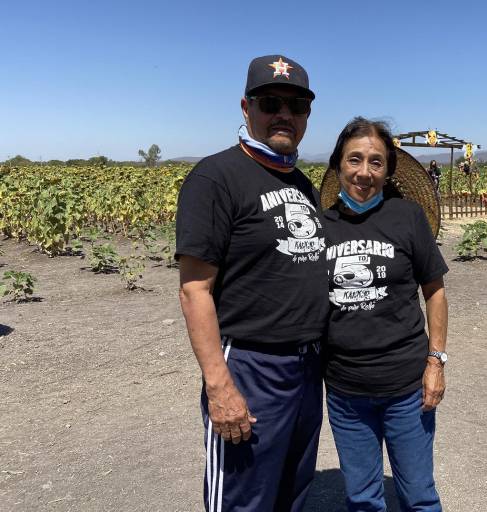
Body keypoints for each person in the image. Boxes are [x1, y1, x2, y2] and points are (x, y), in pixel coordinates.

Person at [175, 55, 328, 512]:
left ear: (306, 116)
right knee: (244, 498)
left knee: (292, 490)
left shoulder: (303, 183)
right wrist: (220, 387)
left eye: (296, 106)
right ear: (247, 108)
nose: (284, 114)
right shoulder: (215, 178)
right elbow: (194, 290)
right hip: (249, 365)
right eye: (271, 102)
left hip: (306, 367)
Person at [320, 117, 449, 512]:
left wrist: (436, 361)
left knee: (418, 496)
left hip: (406, 387)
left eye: (376, 162)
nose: (364, 172)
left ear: (388, 170)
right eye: (354, 159)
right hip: (345, 392)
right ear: (339, 164)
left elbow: (435, 291)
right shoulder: (320, 228)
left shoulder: (408, 218)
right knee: (362, 499)